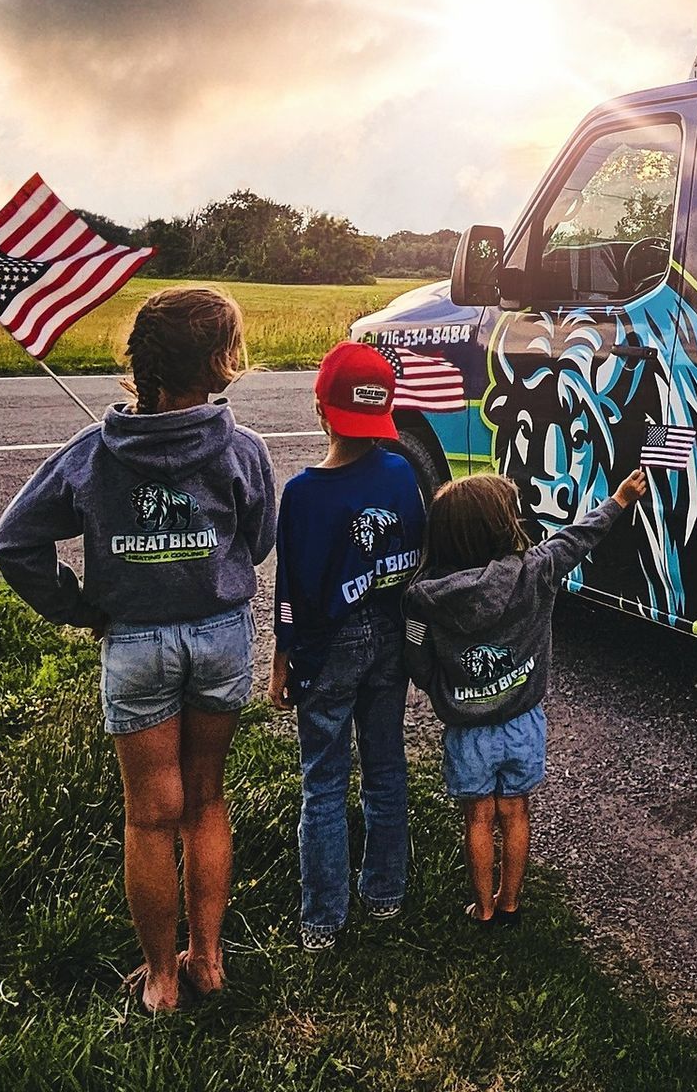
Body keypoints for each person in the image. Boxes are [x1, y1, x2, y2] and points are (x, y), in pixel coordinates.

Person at [0, 285, 273, 1014]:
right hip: (219, 636)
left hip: (136, 644)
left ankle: (160, 978)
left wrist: (77, 606)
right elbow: (259, 540)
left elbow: (14, 543)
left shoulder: (90, 455)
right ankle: (208, 961)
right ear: (219, 363)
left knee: (151, 813)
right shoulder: (244, 450)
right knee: (206, 798)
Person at [404, 468, 647, 924]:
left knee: (478, 818)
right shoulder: (536, 572)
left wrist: (444, 690)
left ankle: (484, 907)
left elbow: (416, 658)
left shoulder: (423, 599)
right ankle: (512, 903)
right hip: (523, 723)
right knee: (515, 812)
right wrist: (618, 500)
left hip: (468, 729)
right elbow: (577, 539)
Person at [269, 342, 425, 951]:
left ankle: (322, 920)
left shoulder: (304, 494)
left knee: (324, 780)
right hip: (390, 638)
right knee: (386, 767)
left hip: (328, 645)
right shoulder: (401, 471)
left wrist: (283, 661)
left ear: (320, 409)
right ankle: (386, 893)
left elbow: (294, 592)